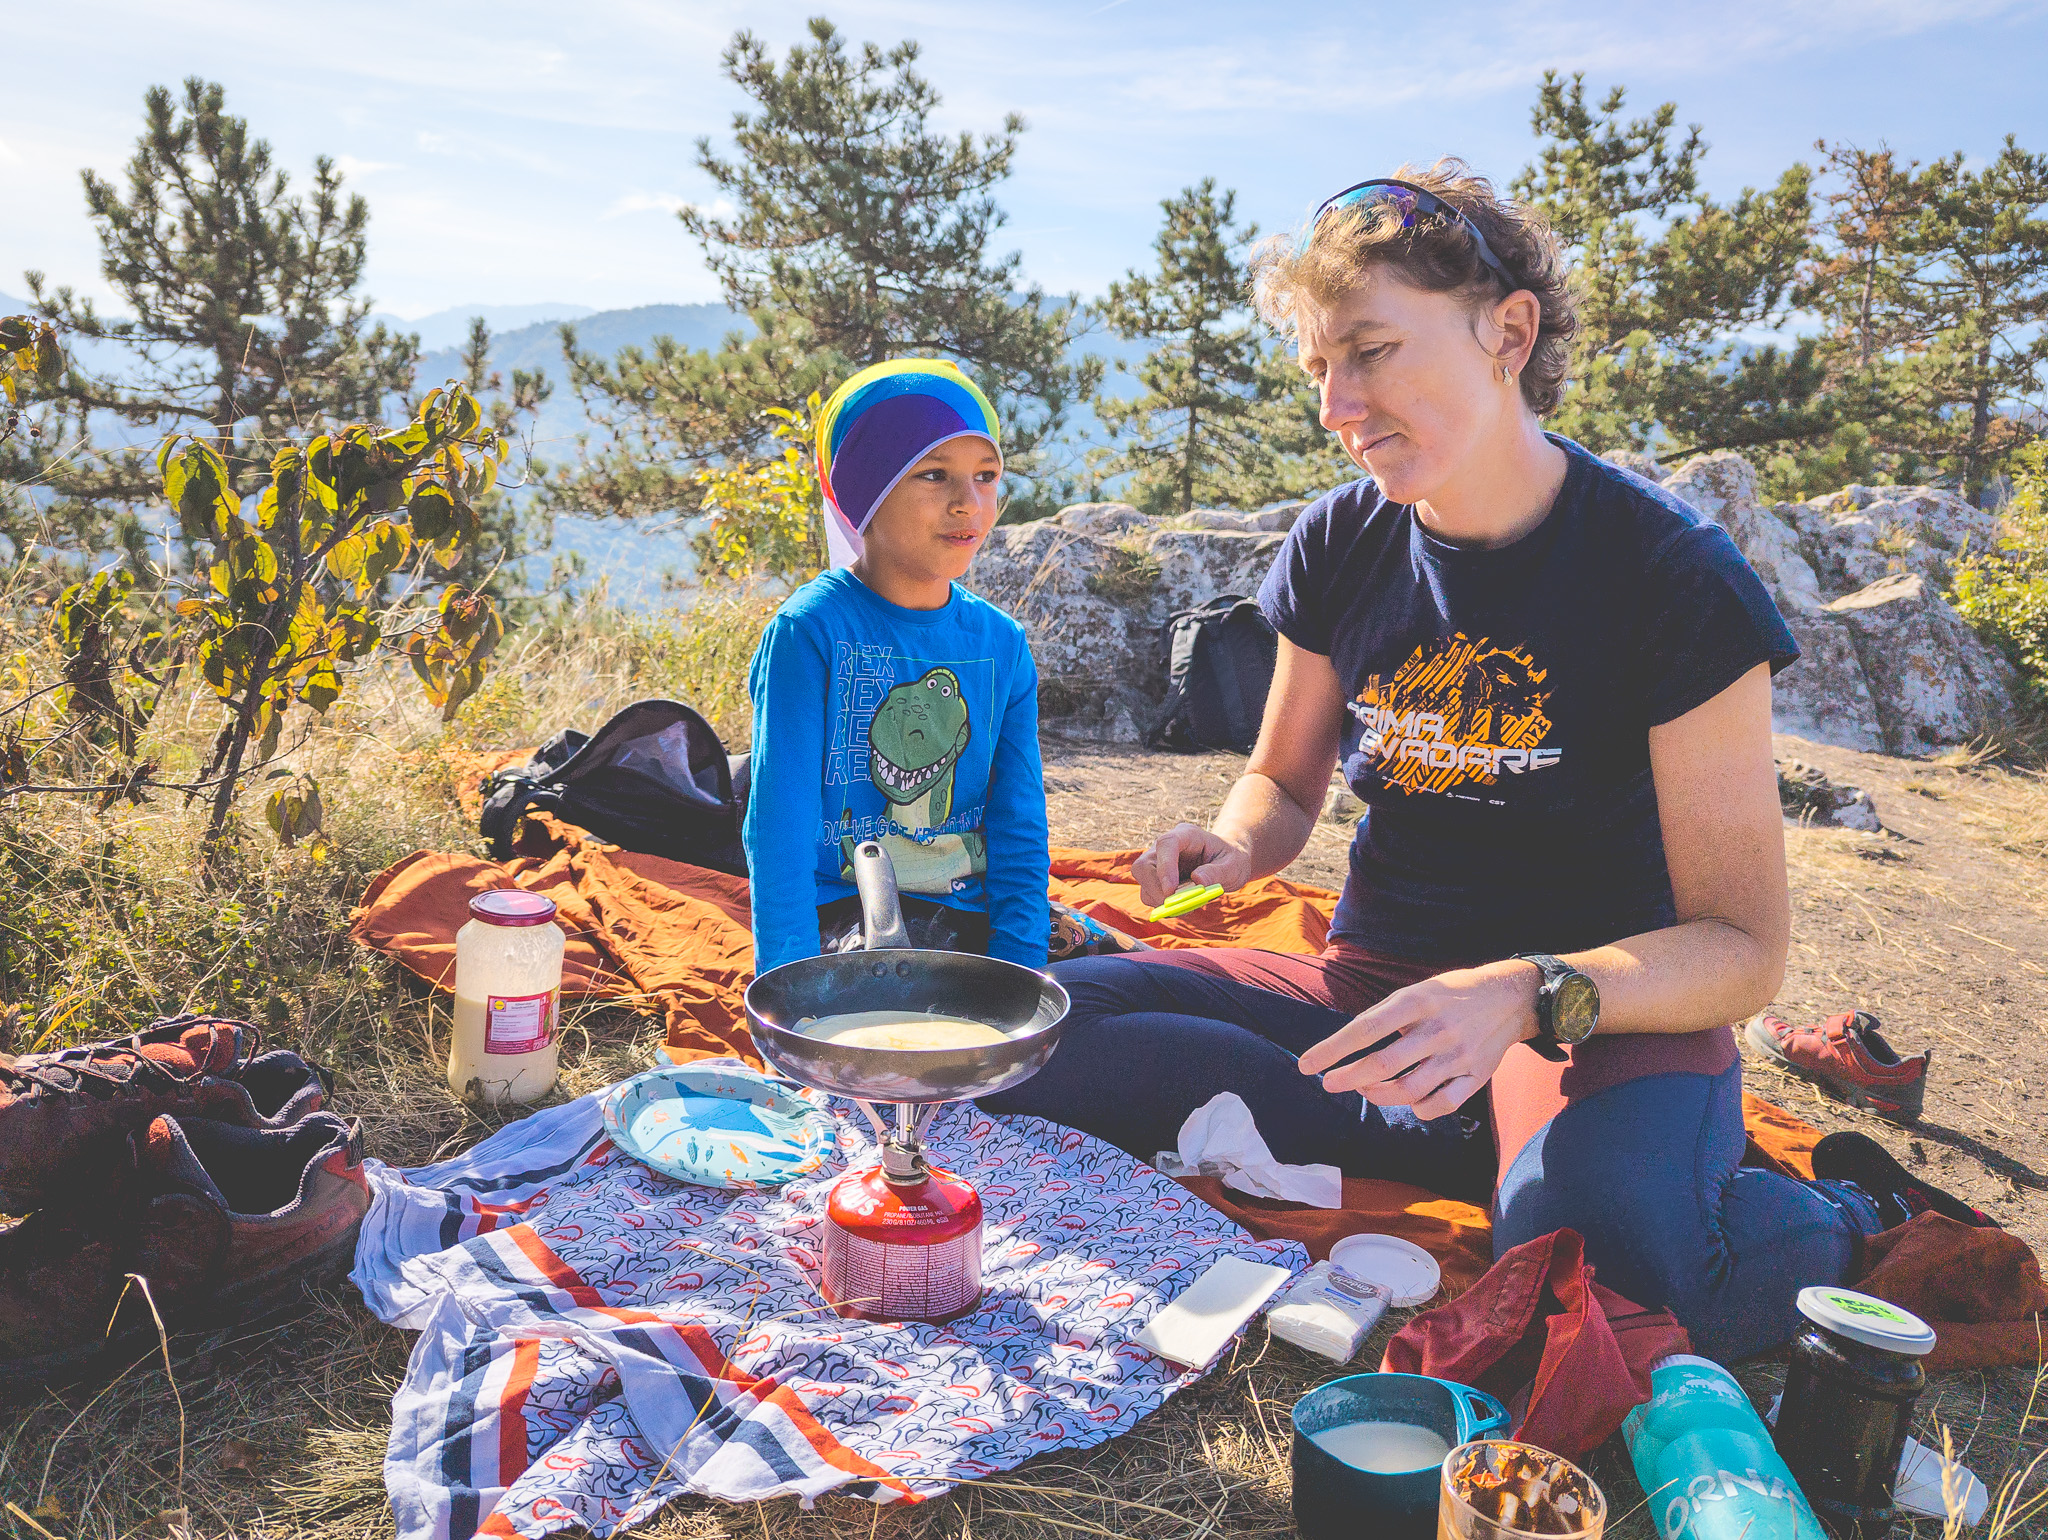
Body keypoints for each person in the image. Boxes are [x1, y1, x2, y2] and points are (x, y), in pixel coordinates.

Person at [983, 163, 1967, 1362]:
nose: (1336, 403)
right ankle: (1479, 1139)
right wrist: (1232, 841)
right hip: (1374, 1004)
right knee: (1018, 1039)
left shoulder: (1668, 578)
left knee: (1600, 1275)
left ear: (1508, 331)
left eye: (1373, 351)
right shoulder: (1338, 542)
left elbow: (1740, 949)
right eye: (1316, 366)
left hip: (1593, 1017)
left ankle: (1831, 1211)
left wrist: (1516, 992)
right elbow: (1285, 787)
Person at [744, 358, 1050, 974]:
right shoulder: (810, 633)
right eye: (935, 475)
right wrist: (788, 989)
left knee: (1128, 992)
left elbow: (1018, 823)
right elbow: (779, 829)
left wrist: (1024, 970)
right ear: (868, 493)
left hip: (974, 913)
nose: (971, 504)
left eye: (986, 476)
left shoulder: (1001, 643)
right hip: (852, 916)